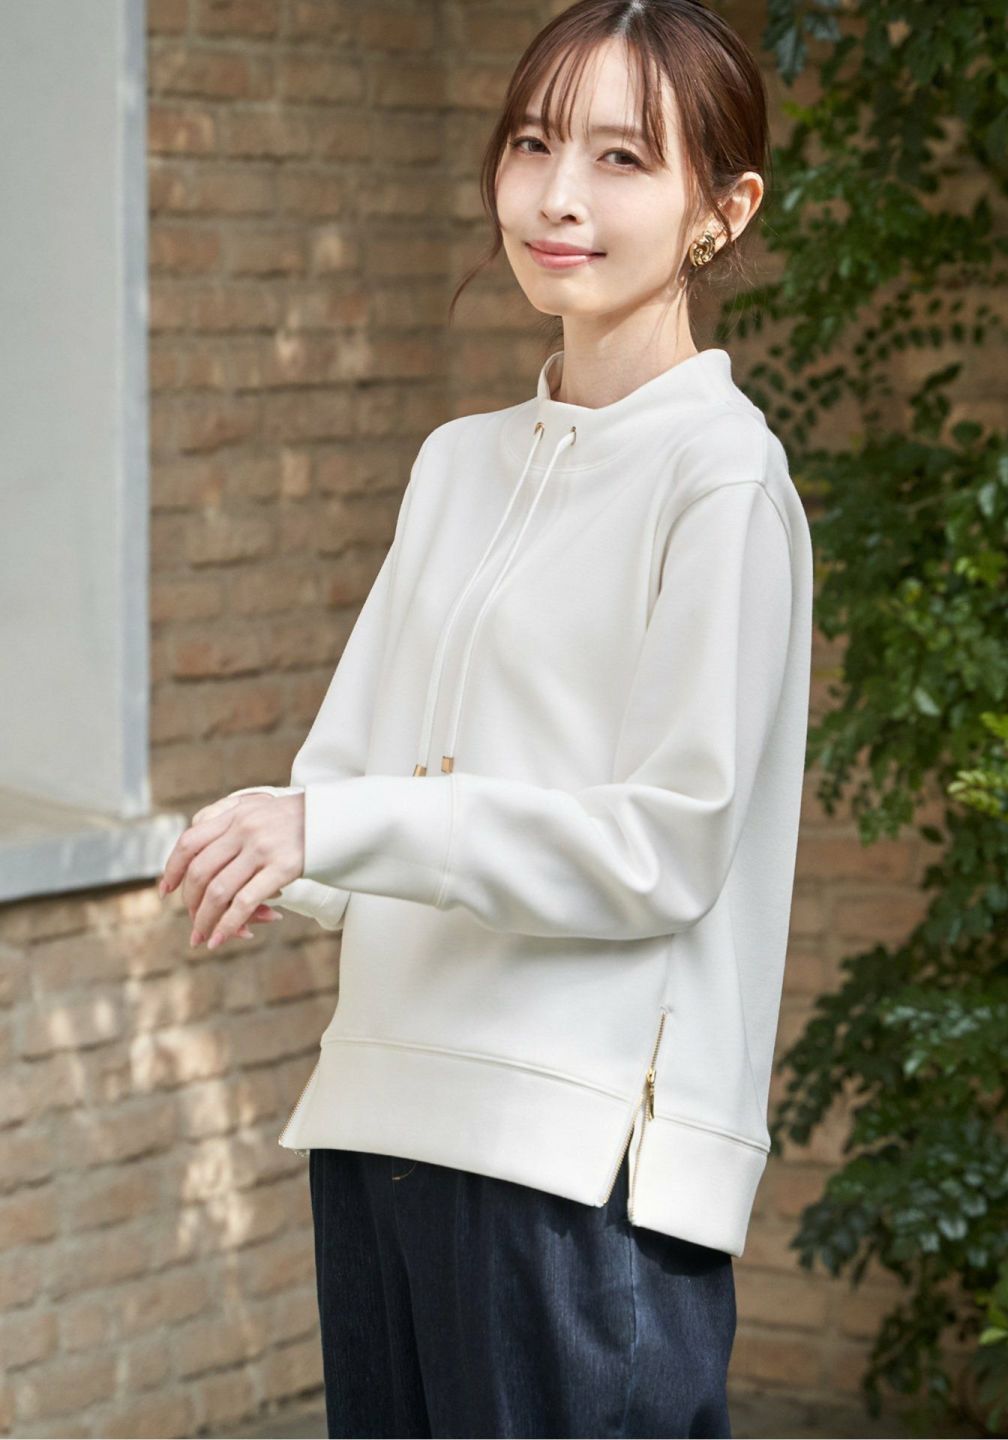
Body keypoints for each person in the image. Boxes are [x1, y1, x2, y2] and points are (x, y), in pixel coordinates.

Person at [159, 2, 814, 1435]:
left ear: (724, 209)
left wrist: (338, 825)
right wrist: (260, 850)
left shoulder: (721, 479)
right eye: (532, 143)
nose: (557, 196)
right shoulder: (458, 464)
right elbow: (350, 782)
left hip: (577, 1170)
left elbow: (662, 849)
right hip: (379, 1123)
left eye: (622, 158)